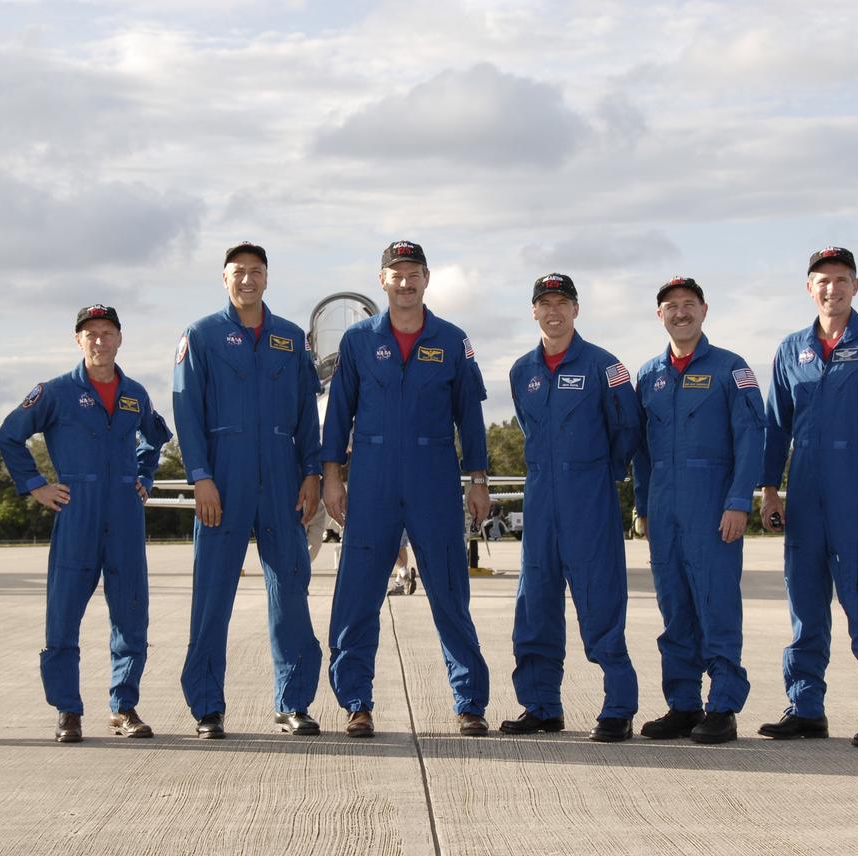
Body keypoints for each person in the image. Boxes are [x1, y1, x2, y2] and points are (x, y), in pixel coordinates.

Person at [322, 240, 492, 738]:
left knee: (450, 592)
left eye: (413, 273)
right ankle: (356, 702)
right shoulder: (357, 341)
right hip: (372, 479)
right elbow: (338, 415)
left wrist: (478, 480)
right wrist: (332, 476)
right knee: (357, 595)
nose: (405, 282)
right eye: (396, 274)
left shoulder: (453, 340)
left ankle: (469, 702)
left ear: (426, 279)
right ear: (382, 281)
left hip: (433, 477)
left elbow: (471, 417)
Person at [759, 247, 858, 749]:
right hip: (805, 492)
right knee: (805, 606)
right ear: (810, 288)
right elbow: (775, 425)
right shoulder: (791, 349)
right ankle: (806, 708)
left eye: (841, 279)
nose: (832, 288)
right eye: (823, 280)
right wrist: (769, 490)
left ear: (856, 286)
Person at [0, 305, 170, 743]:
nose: (99, 341)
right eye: (90, 333)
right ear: (78, 340)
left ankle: (123, 707)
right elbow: (9, 435)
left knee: (131, 611)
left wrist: (145, 475)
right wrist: (36, 485)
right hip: (77, 510)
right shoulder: (55, 392)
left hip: (124, 513)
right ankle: (67, 710)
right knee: (63, 613)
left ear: (119, 339)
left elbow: (155, 437)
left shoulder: (134, 394)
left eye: (107, 332)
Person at [173, 242, 324, 739]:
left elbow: (306, 413)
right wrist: (201, 477)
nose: (247, 280)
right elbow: (187, 412)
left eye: (255, 271)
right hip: (223, 479)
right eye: (238, 272)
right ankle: (207, 707)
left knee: (291, 592)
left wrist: (311, 472)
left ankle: (293, 703)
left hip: (283, 479)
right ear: (225, 278)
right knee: (212, 597)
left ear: (266, 278)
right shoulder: (201, 335)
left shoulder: (290, 339)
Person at [500, 273, 641, 742]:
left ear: (576, 309)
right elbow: (529, 427)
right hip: (541, 497)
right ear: (534, 311)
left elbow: (627, 429)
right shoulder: (522, 371)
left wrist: (599, 471)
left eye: (562, 303)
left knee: (600, 601)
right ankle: (541, 706)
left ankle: (618, 708)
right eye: (545, 303)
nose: (553, 311)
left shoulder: (605, 365)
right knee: (535, 604)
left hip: (589, 497)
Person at [631, 277, 764, 745]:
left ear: (704, 310)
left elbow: (752, 438)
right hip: (663, 506)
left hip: (712, 505)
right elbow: (641, 451)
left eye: (689, 304)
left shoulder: (731, 369)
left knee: (716, 603)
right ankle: (683, 704)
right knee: (675, 607)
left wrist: (739, 501)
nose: (681, 313)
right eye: (671, 306)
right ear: (660, 315)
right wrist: (643, 507)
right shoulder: (649, 376)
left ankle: (723, 706)